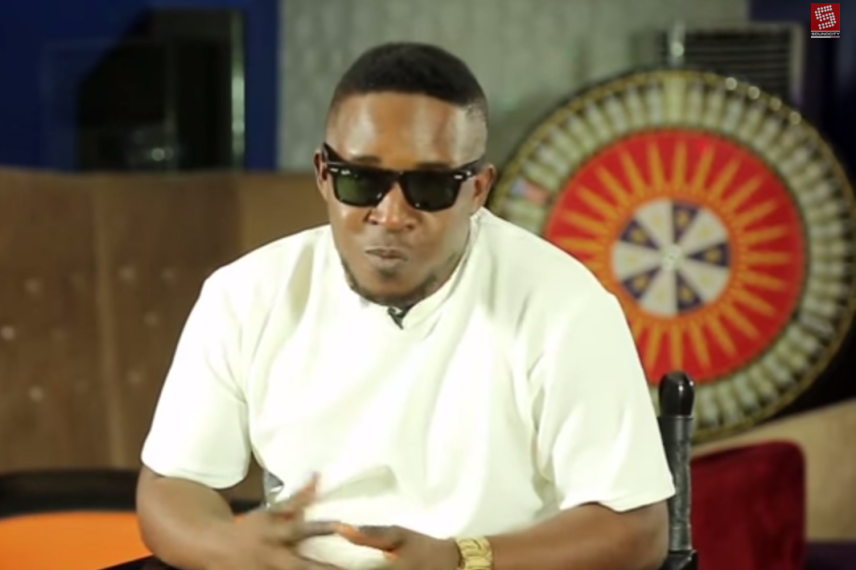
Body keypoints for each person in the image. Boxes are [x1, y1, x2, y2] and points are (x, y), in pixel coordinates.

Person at [137, 42, 674, 570]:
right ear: (325, 176)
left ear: (478, 190)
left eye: (430, 186)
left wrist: (459, 560)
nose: (392, 215)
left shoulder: (564, 306)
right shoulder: (248, 294)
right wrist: (228, 549)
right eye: (361, 181)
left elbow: (635, 530)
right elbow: (171, 483)